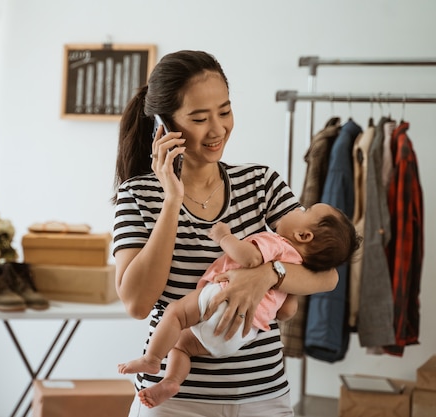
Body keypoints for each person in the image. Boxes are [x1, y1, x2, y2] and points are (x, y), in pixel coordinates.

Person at [112, 50, 339, 417]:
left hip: (263, 396)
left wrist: (266, 274)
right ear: (164, 127)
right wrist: (172, 200)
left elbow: (326, 274)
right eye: (199, 118)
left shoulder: (261, 183)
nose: (217, 129)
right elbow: (137, 303)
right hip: (174, 403)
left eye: (225, 111)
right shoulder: (138, 195)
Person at [118, 203, 360, 408]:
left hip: (220, 301)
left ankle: (152, 358)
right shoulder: (296, 269)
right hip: (239, 335)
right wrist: (281, 284)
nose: (297, 207)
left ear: (304, 236)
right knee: (183, 346)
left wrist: (224, 236)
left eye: (304, 210)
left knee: (175, 314)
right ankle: (171, 381)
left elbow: (250, 257)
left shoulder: (276, 243)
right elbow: (287, 312)